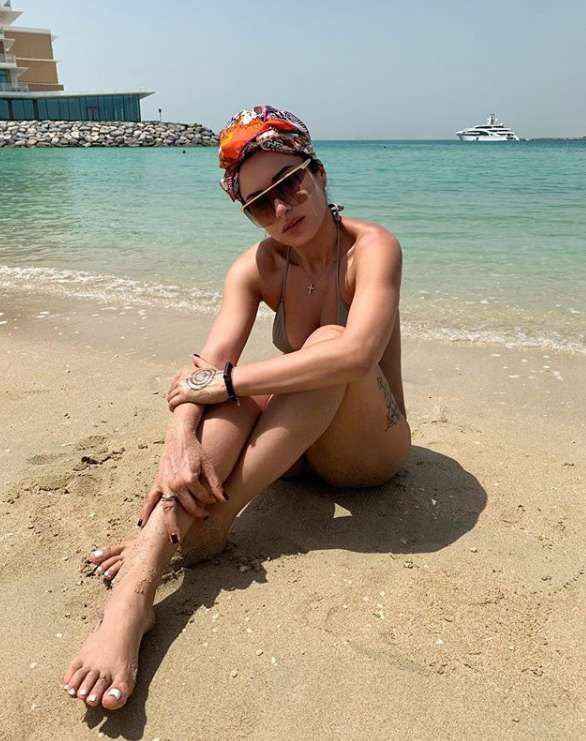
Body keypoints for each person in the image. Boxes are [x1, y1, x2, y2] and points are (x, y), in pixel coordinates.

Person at [63, 105, 411, 710]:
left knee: (322, 345)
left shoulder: (372, 248)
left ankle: (207, 524)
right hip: (296, 450)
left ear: (318, 173)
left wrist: (221, 382)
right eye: (259, 203)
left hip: (369, 449)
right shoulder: (256, 267)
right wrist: (179, 441)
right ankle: (136, 592)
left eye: (290, 183)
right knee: (227, 398)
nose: (281, 209)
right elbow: (204, 367)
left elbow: (356, 355)